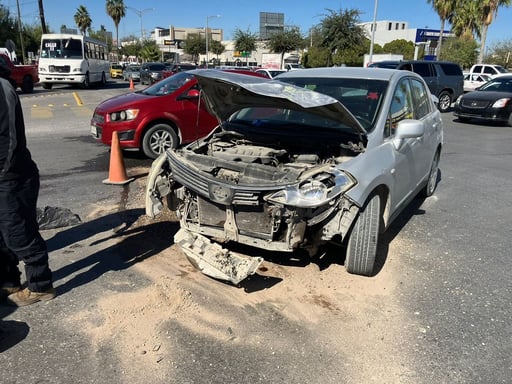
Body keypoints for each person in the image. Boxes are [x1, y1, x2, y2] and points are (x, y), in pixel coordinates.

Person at [0, 62, 56, 306]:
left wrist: (4, 173)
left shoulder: (2, 89)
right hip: (5, 176)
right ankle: (9, 280)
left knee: (18, 232)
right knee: (2, 235)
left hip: (12, 176)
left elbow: (11, 138)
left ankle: (40, 285)